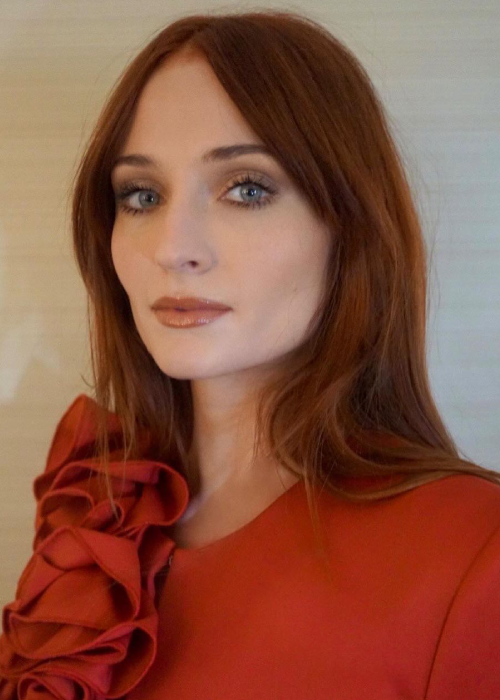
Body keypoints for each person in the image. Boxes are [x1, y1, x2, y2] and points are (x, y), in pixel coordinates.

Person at [0, 8, 499, 700]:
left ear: (348, 227)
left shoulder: (473, 554)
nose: (173, 247)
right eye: (141, 195)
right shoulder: (98, 510)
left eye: (247, 189)